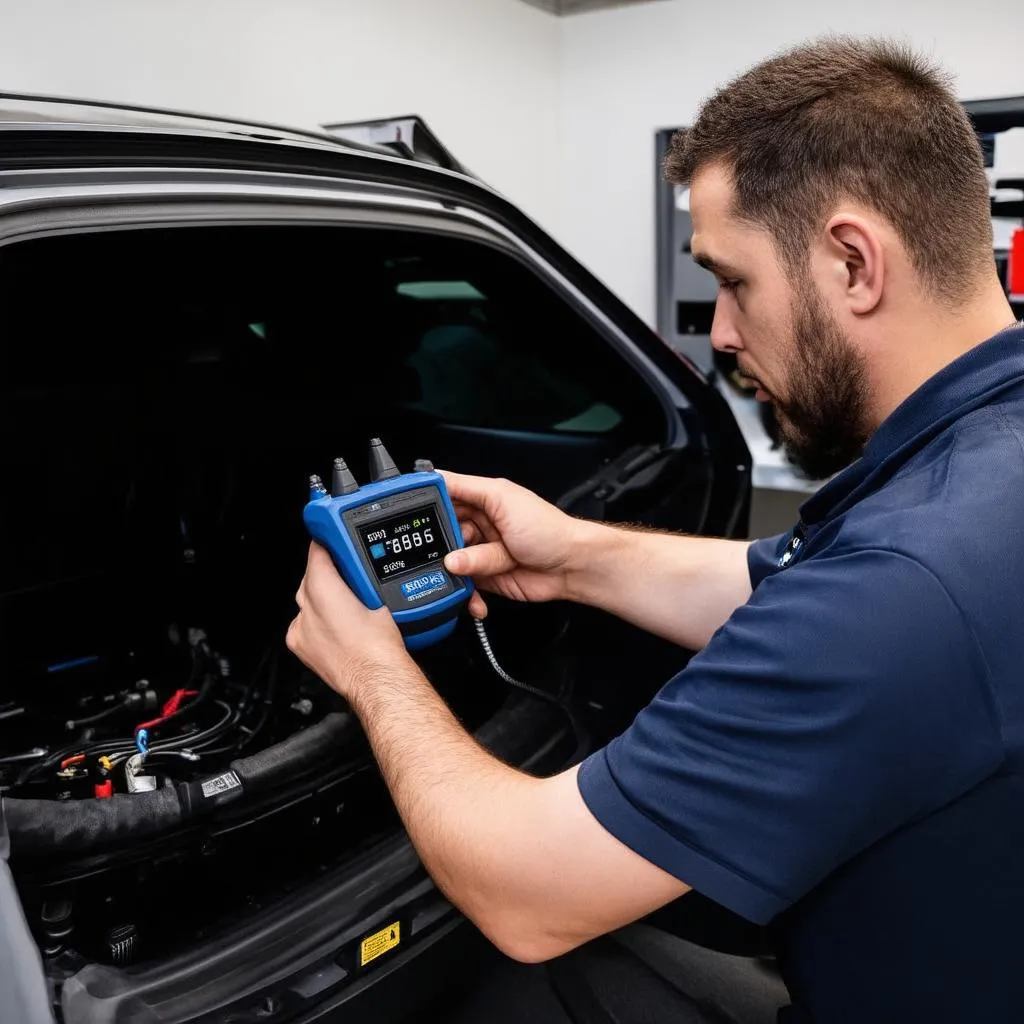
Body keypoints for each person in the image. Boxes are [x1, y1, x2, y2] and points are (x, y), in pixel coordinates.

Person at [287, 36, 1024, 1024]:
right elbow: (789, 583)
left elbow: (526, 897)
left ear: (853, 263)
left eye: (733, 280)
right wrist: (572, 556)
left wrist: (372, 668)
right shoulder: (978, 465)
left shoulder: (902, 584)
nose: (720, 332)